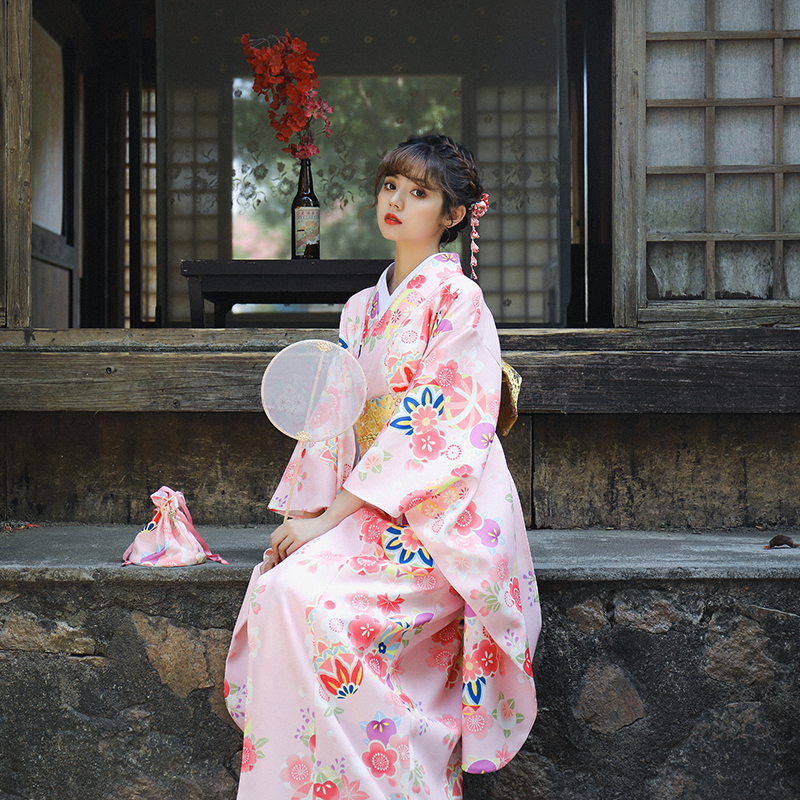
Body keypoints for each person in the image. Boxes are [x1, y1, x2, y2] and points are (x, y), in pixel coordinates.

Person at [225, 133, 541, 800]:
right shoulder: (360, 308)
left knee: (315, 604)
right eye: (391, 186)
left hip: (436, 520)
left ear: (452, 215)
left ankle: (397, 777)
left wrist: (331, 519)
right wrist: (310, 515)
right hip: (361, 509)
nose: (397, 201)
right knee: (282, 592)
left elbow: (436, 425)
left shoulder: (459, 302)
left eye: (419, 193)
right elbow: (333, 421)